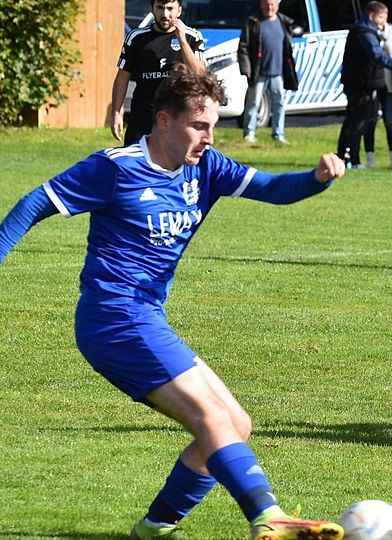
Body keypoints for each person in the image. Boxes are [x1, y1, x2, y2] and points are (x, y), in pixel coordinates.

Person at [0, 65, 346, 540]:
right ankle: (268, 515)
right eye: (199, 126)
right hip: (112, 318)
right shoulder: (114, 168)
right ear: (163, 121)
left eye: (213, 127)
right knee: (210, 418)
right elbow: (36, 203)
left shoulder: (206, 167)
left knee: (235, 425)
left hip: (145, 315)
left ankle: (155, 528)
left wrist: (316, 178)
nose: (208, 138)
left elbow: (271, 188)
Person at [338, 1, 392, 169]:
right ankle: (352, 159)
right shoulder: (365, 33)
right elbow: (378, 56)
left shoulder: (361, 30)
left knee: (354, 120)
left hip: (359, 82)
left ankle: (345, 157)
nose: (384, 21)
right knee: (358, 122)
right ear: (371, 16)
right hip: (361, 84)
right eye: (382, 17)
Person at [111, 0, 206, 145]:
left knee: (174, 167)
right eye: (160, 8)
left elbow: (201, 75)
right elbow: (122, 77)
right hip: (142, 121)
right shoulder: (136, 38)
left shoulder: (192, 37)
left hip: (178, 121)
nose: (165, 14)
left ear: (179, 10)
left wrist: (182, 41)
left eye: (170, 8)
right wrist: (116, 112)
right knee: (135, 166)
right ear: (152, 9)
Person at [238, 0, 299, 145]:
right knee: (253, 103)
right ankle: (249, 133)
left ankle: (278, 134)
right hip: (258, 72)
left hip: (278, 72)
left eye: (272, 4)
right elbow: (243, 48)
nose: (269, 7)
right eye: (267, 4)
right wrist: (246, 69)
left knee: (279, 104)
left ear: (278, 5)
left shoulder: (283, 22)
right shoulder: (252, 22)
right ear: (261, 4)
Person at [363, 21, 392, 169]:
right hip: (373, 83)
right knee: (370, 121)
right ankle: (370, 159)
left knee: (390, 121)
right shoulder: (368, 34)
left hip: (389, 84)